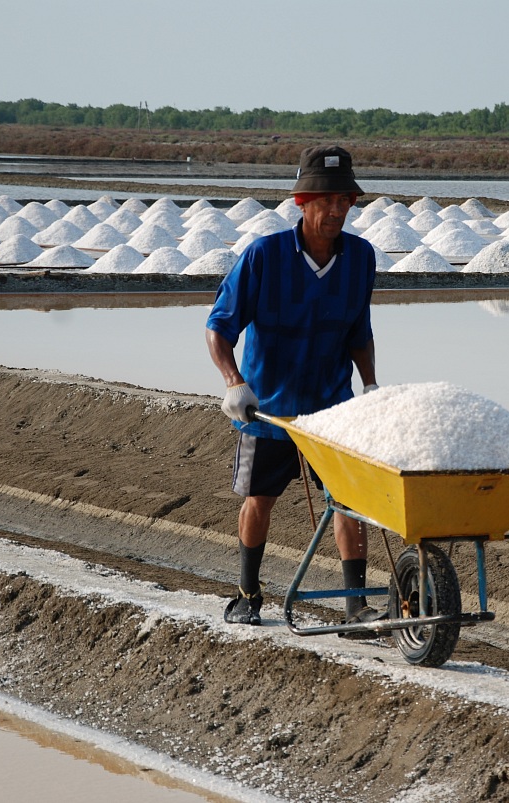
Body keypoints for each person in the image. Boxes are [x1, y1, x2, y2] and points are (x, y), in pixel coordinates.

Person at [205, 144, 382, 629]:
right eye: (325, 201)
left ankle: (355, 604)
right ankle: (247, 594)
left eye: (344, 201)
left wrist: (369, 386)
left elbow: (358, 331)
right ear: (302, 202)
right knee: (258, 500)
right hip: (269, 408)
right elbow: (219, 327)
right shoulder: (265, 256)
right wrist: (234, 382)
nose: (335, 210)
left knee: (348, 501)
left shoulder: (360, 258)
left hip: (331, 408)